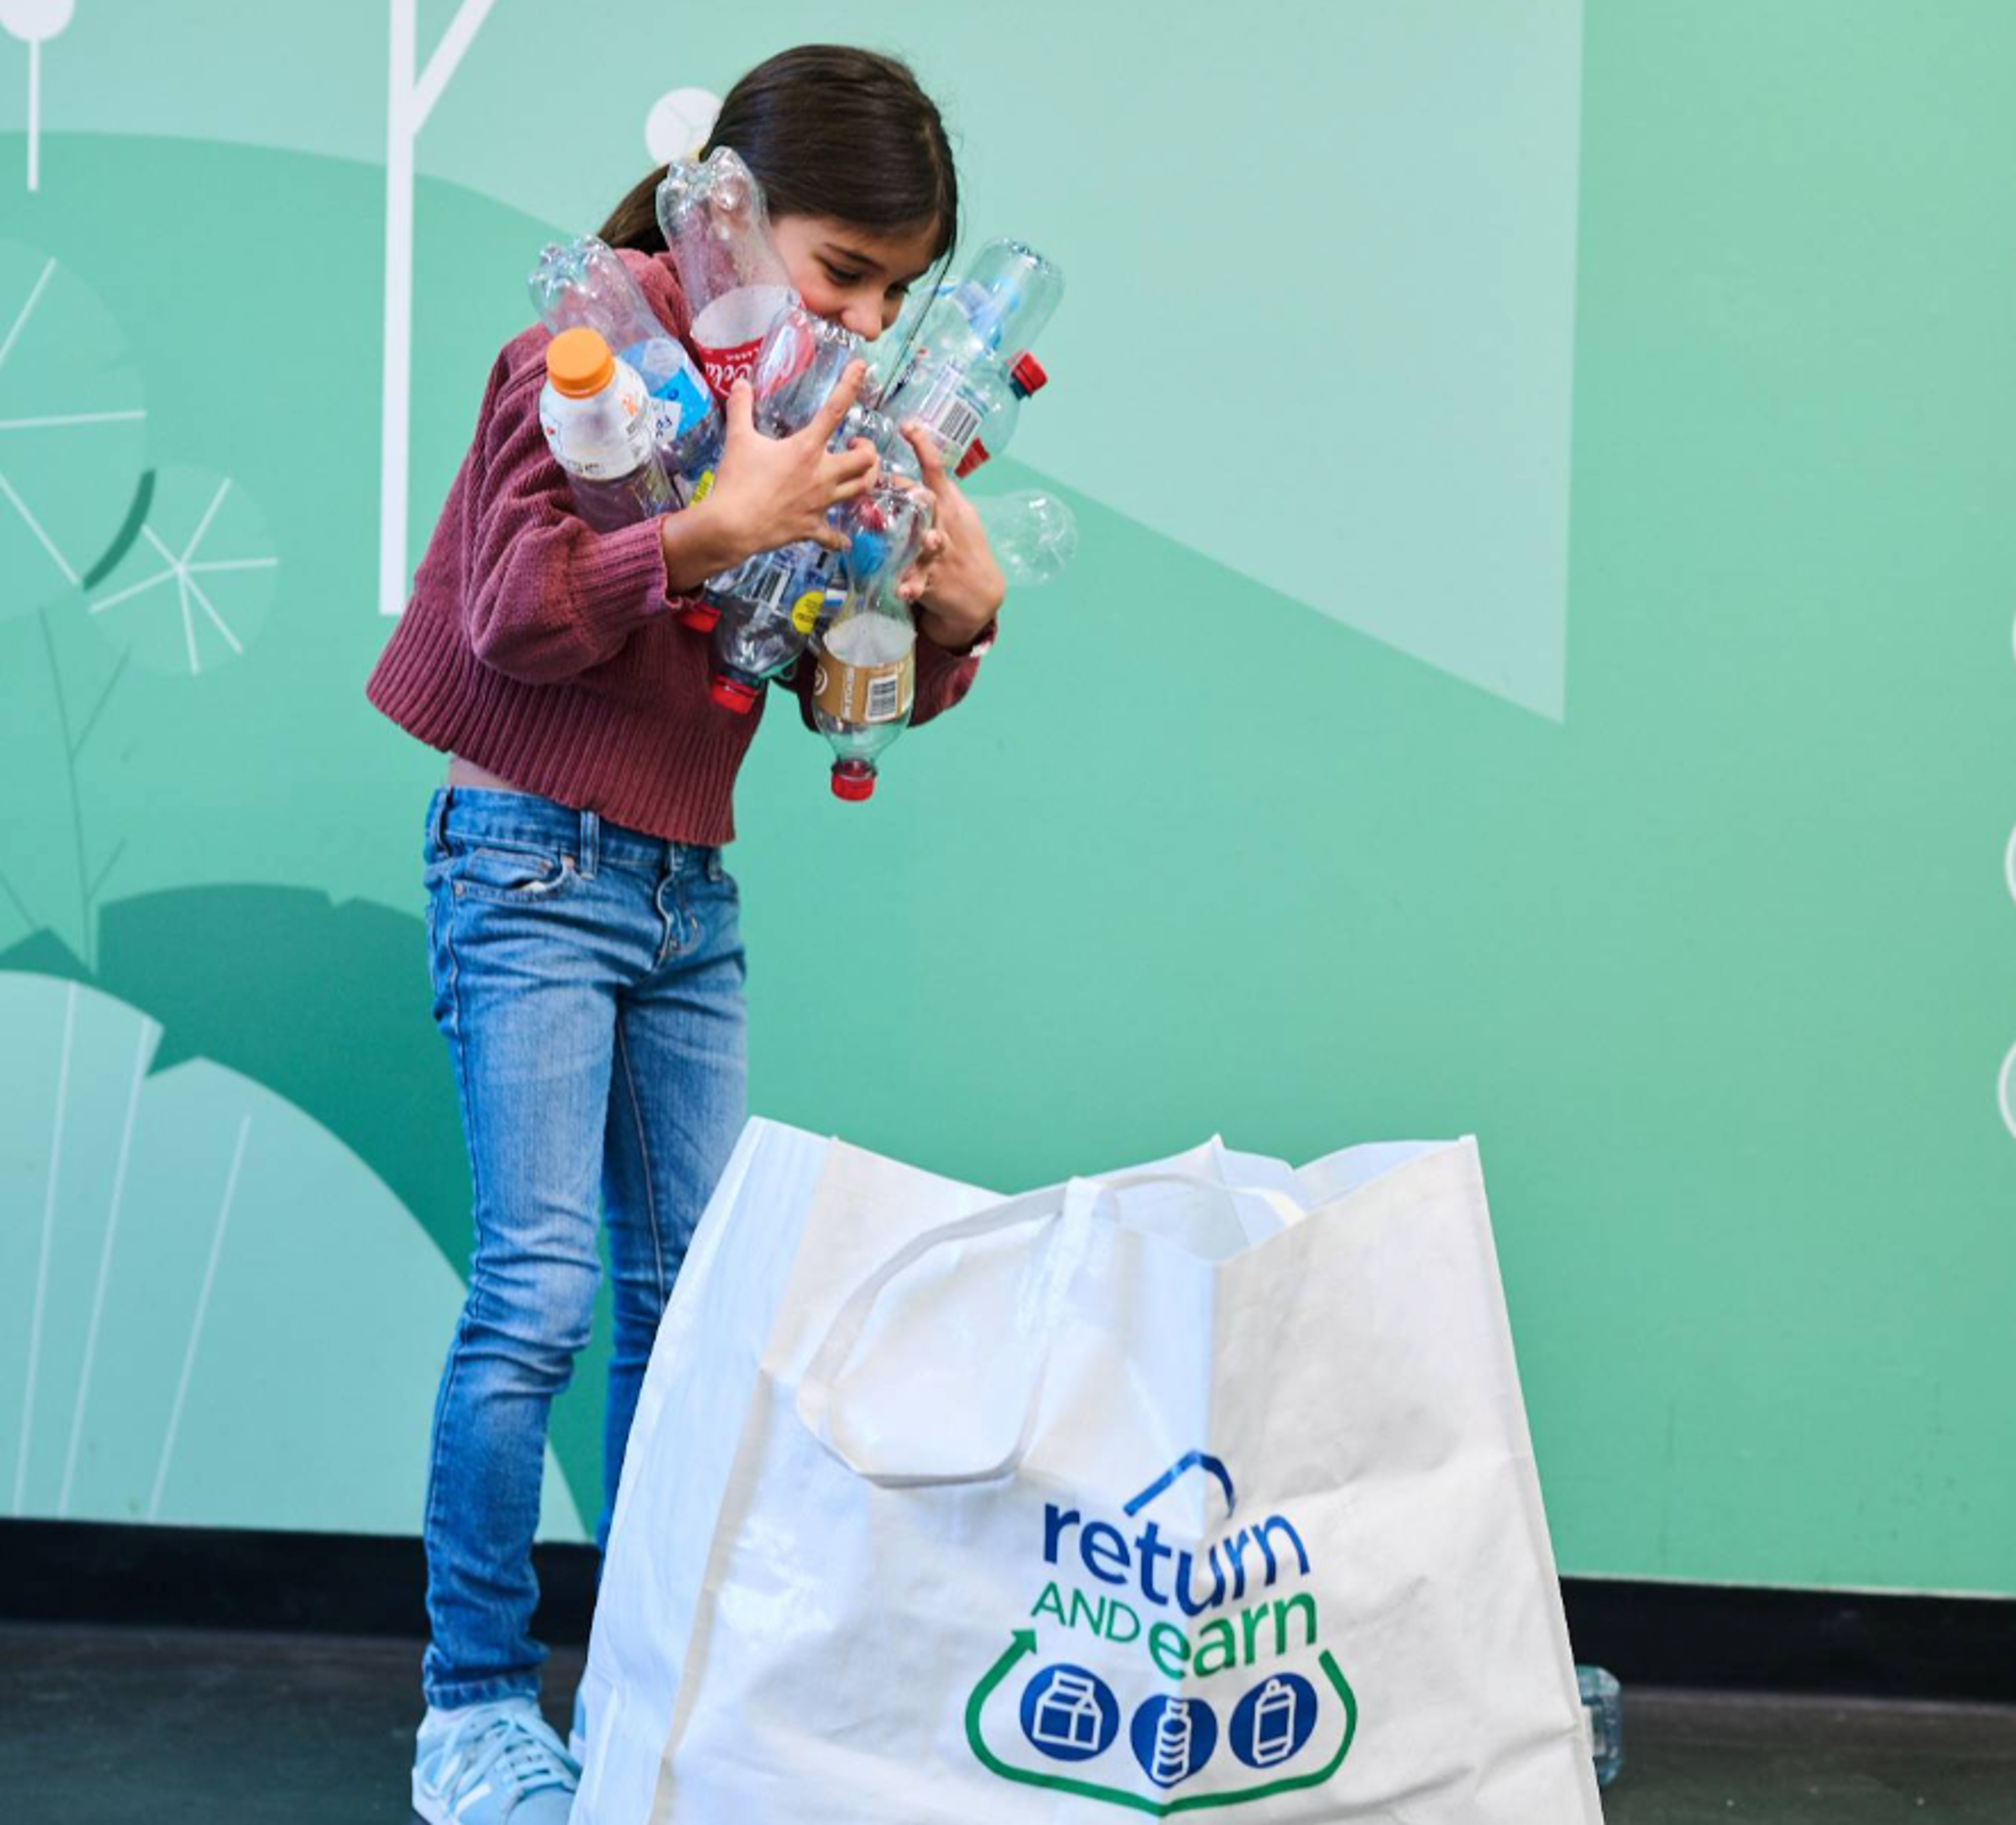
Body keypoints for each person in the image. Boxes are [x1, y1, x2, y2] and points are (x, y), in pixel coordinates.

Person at [364, 45, 1003, 1825]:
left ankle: (655, 1677)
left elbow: (829, 676)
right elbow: (504, 617)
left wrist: (954, 620)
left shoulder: (814, 403)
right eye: (843, 271)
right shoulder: (589, 355)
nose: (867, 320)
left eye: (895, 291)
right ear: (724, 208)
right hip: (530, 866)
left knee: (691, 1307)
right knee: (540, 1295)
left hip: (681, 894)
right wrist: (708, 525)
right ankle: (475, 1703)